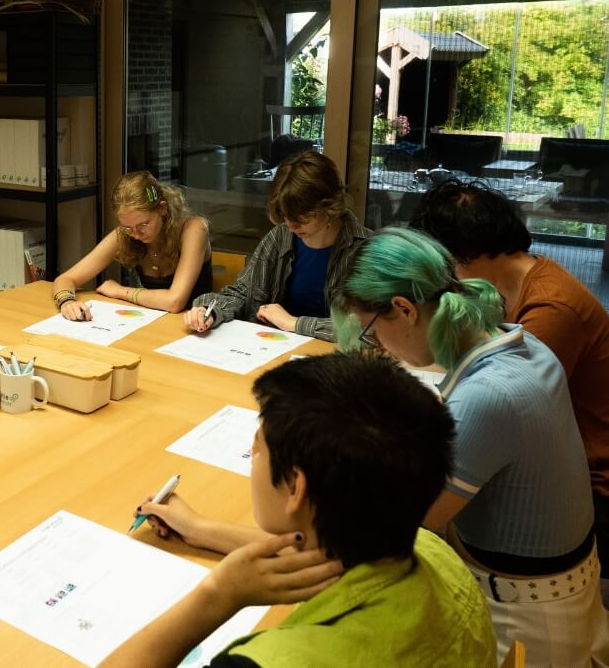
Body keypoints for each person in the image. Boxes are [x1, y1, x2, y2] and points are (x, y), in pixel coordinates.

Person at [98, 353, 496, 668]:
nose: (252, 455)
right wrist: (201, 529)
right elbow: (318, 555)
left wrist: (218, 594)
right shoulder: (428, 549)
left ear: (295, 486)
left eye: (257, 447)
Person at [333, 226, 609, 667]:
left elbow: (401, 529)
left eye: (371, 331)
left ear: (403, 310)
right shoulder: (520, 342)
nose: (376, 346)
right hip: (567, 592)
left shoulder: (487, 397)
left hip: (526, 624)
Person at [409, 178, 609, 591]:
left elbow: (496, 397)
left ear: (460, 256)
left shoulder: (552, 308)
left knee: (419, 505)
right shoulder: (517, 286)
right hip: (550, 453)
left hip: (587, 481)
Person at [184, 152, 368, 342]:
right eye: (286, 216)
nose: (291, 226)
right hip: (275, 347)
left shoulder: (365, 251)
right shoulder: (281, 237)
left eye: (301, 218)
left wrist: (293, 323)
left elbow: (368, 330)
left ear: (329, 207)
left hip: (335, 358)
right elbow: (242, 293)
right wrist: (209, 311)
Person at [51, 171, 211, 319]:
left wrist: (121, 291)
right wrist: (67, 302)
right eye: (128, 227)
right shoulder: (127, 233)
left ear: (162, 208)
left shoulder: (194, 229)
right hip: (155, 321)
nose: (135, 234)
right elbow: (66, 278)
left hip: (196, 327)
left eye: (143, 225)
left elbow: (174, 301)